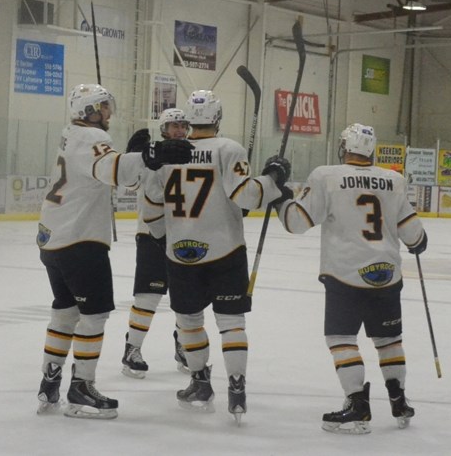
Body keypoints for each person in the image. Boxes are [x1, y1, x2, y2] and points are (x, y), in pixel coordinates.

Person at [35, 83, 194, 419]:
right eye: (103, 107)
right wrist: (151, 156)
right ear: (89, 111)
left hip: (52, 237)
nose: (108, 113)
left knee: (64, 311)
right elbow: (113, 171)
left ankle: (50, 382)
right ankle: (81, 388)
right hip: (80, 241)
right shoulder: (92, 138)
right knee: (93, 316)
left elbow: (112, 169)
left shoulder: (70, 134)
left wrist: (136, 158)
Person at [141, 89, 291, 424]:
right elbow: (249, 197)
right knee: (231, 322)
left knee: (189, 321)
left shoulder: (166, 154)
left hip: (180, 255)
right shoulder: (228, 148)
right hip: (226, 251)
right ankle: (236, 388)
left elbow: (151, 208)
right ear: (217, 117)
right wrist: (273, 178)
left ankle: (200, 383)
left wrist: (168, 237)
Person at [275, 123, 426, 434]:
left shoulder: (326, 176)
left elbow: (297, 223)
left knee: (341, 338)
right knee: (388, 340)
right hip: (386, 274)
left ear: (345, 147)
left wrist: (280, 199)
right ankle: (398, 399)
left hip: (345, 274)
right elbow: (415, 235)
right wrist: (418, 242)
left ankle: (357, 403)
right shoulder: (394, 180)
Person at [121, 109, 191, 379]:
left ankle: (184, 345)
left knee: (186, 297)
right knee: (148, 296)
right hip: (150, 232)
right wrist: (133, 158)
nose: (179, 130)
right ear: (163, 128)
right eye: (174, 125)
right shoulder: (151, 155)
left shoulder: (192, 154)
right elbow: (129, 182)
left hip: (183, 233)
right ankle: (132, 349)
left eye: (183, 125)